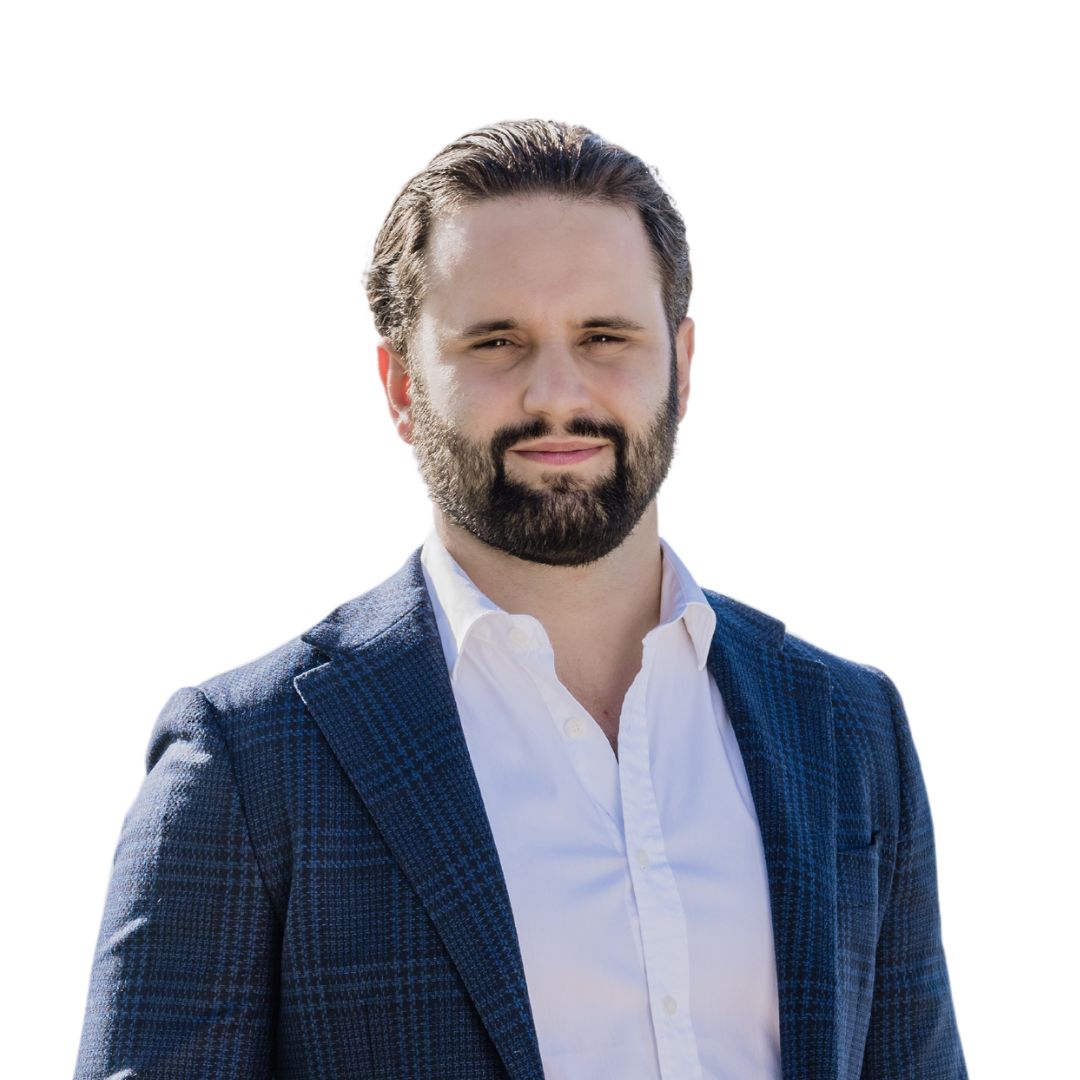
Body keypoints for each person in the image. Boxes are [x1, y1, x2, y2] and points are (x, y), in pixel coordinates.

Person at [74, 119, 967, 1080]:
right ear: (400, 385)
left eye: (604, 336)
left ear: (682, 363)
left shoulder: (847, 729)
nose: (555, 393)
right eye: (496, 341)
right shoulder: (248, 762)